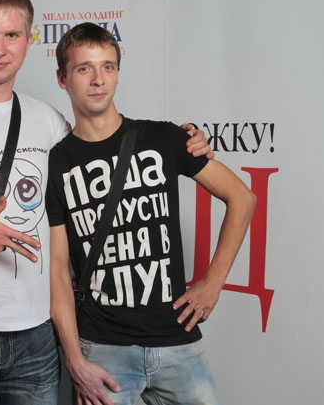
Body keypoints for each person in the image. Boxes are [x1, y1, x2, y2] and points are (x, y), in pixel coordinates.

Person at [0, 0, 212, 405]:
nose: (0, 49)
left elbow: (105, 150)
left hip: (36, 337)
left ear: (29, 41)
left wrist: (187, 142)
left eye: (12, 35)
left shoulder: (47, 121)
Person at [47, 22, 256, 405]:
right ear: (63, 78)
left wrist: (213, 283)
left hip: (177, 341)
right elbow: (58, 271)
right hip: (102, 347)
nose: (98, 79)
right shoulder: (58, 163)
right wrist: (74, 360)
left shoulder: (162, 138)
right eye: (84, 68)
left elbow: (242, 198)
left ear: (117, 74)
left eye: (108, 67)